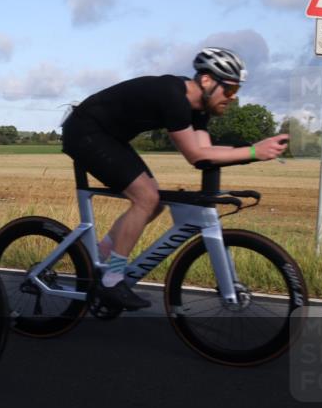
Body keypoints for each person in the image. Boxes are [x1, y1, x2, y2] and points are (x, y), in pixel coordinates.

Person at [61, 47, 289, 310]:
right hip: (85, 131)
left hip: (110, 137)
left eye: (236, 90)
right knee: (146, 198)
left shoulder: (198, 110)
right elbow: (195, 155)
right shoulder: (173, 96)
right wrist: (253, 152)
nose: (233, 97)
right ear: (207, 80)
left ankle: (103, 253)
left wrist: (254, 150)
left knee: (154, 202)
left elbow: (206, 154)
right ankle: (112, 280)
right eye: (229, 89)